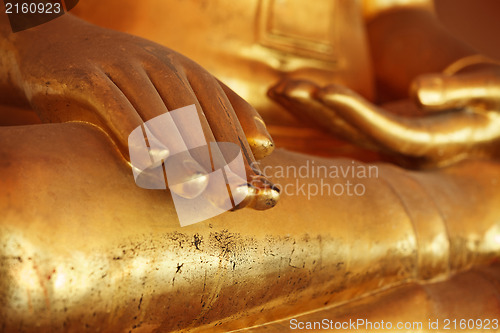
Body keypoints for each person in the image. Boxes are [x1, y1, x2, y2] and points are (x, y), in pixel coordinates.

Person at [0, 0, 499, 331]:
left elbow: (391, 14)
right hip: (144, 127)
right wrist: (38, 29)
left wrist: (465, 77)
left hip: (345, 155)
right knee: (17, 217)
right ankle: (465, 210)